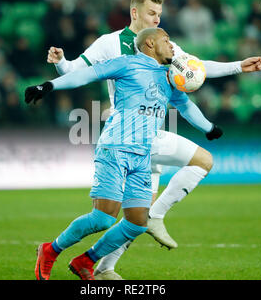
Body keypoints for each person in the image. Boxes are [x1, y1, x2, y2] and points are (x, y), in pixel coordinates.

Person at [46, 0, 261, 280]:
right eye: (151, 13)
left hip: (154, 127)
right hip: (128, 132)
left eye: (159, 14)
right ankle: (154, 218)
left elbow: (195, 69)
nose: (156, 18)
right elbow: (76, 71)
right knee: (202, 161)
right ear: (134, 12)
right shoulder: (110, 43)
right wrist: (60, 62)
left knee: (135, 219)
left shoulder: (166, 45)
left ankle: (104, 266)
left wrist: (237, 66)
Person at [26, 28, 224, 280]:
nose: (173, 46)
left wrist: (209, 127)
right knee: (102, 218)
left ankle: (85, 261)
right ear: (150, 43)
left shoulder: (169, 77)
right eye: (166, 41)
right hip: (115, 149)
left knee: (137, 222)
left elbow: (186, 106)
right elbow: (86, 75)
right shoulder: (127, 64)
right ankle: (49, 251)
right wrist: (48, 85)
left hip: (142, 156)